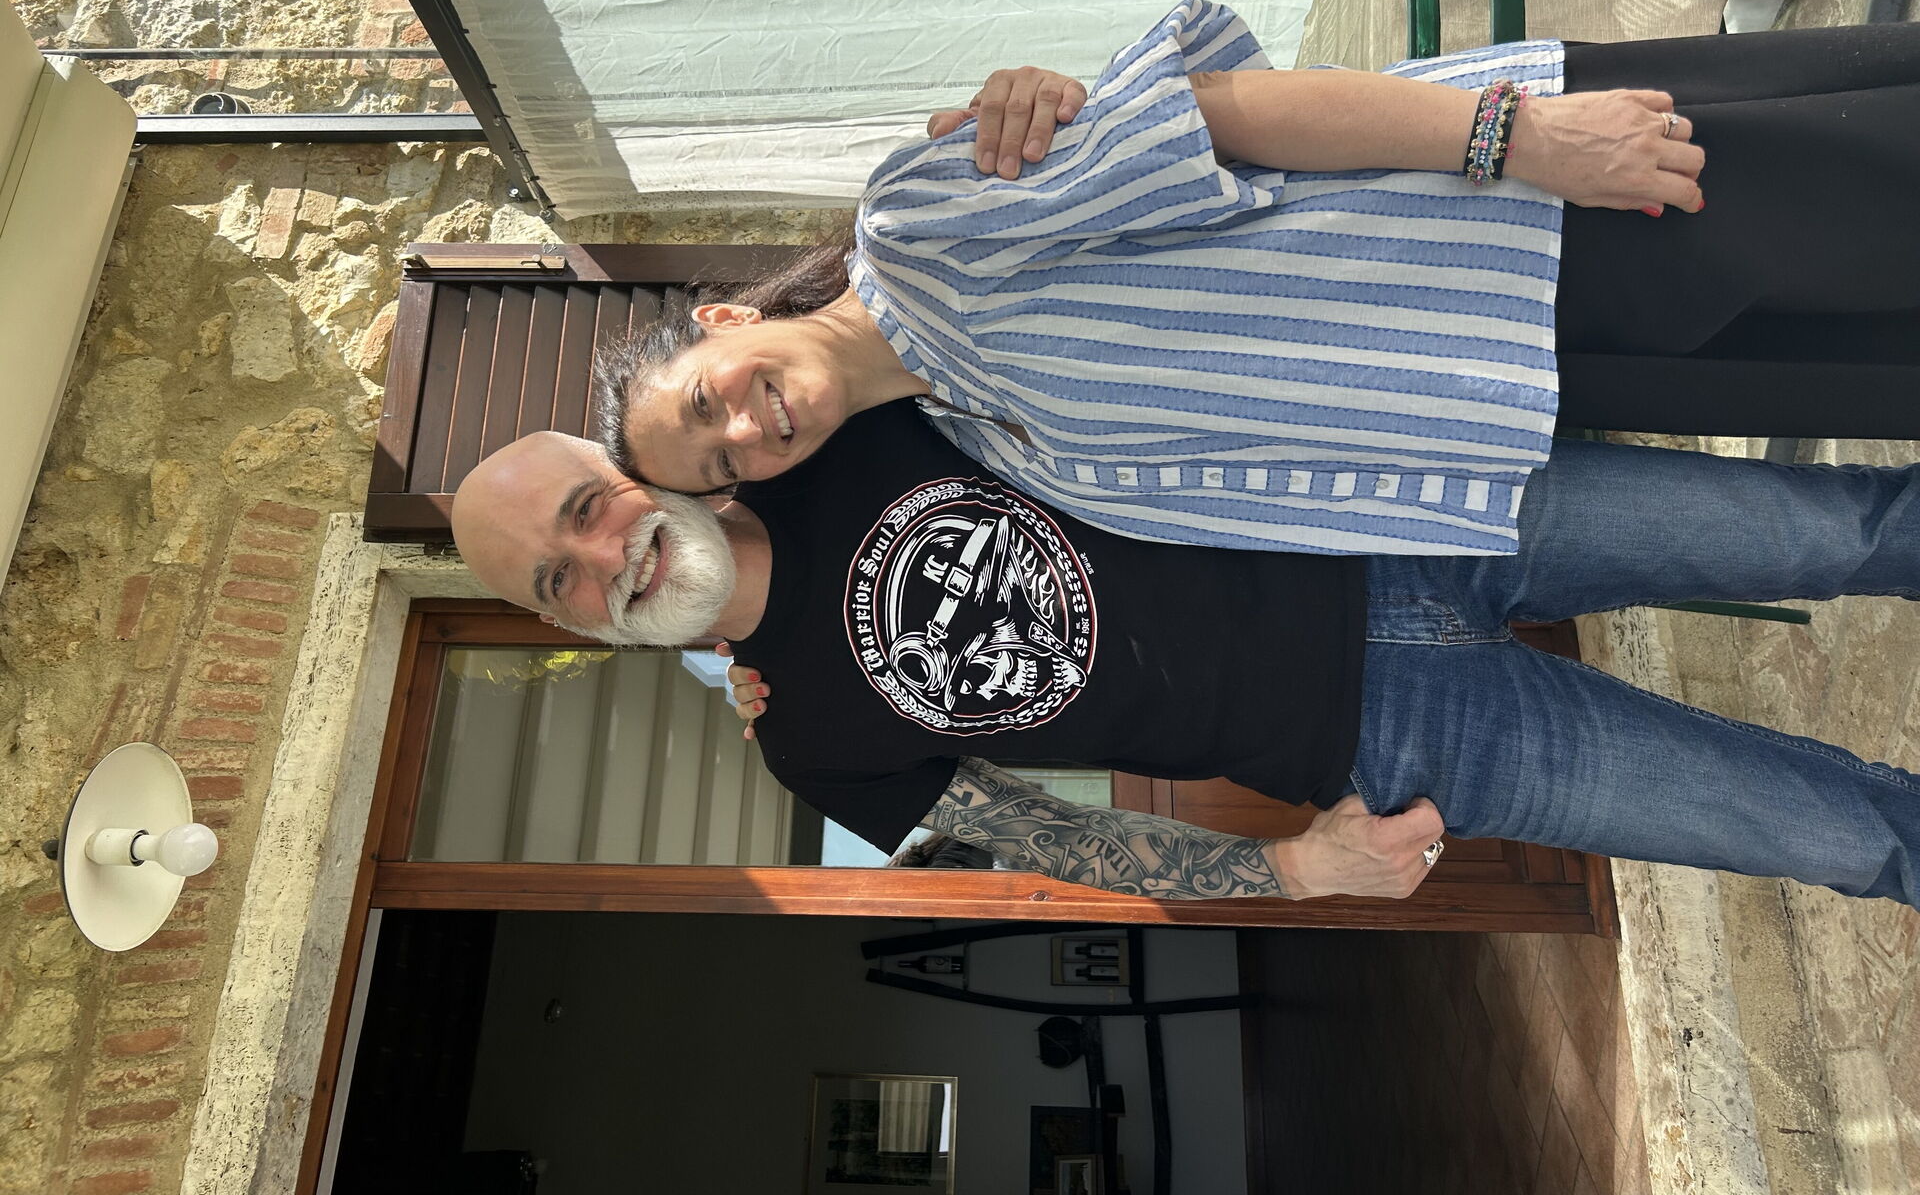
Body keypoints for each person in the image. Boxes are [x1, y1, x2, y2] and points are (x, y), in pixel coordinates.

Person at [448, 402, 1920, 908]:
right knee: (1837, 839)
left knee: (1834, 528)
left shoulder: (818, 434)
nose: (605, 557)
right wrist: (1288, 872)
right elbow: (1045, 841)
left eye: (586, 509)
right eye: (559, 581)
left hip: (1395, 511)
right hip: (1393, 737)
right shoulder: (806, 743)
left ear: (627, 472)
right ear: (570, 626)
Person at [601, 0, 1920, 558]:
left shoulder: (918, 225)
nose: (746, 432)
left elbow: (1219, 118)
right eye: (723, 467)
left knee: (1881, 193)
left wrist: (1520, 138)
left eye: (706, 401)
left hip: (1523, 218)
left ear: (724, 318)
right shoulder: (983, 440)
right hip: (1548, 372)